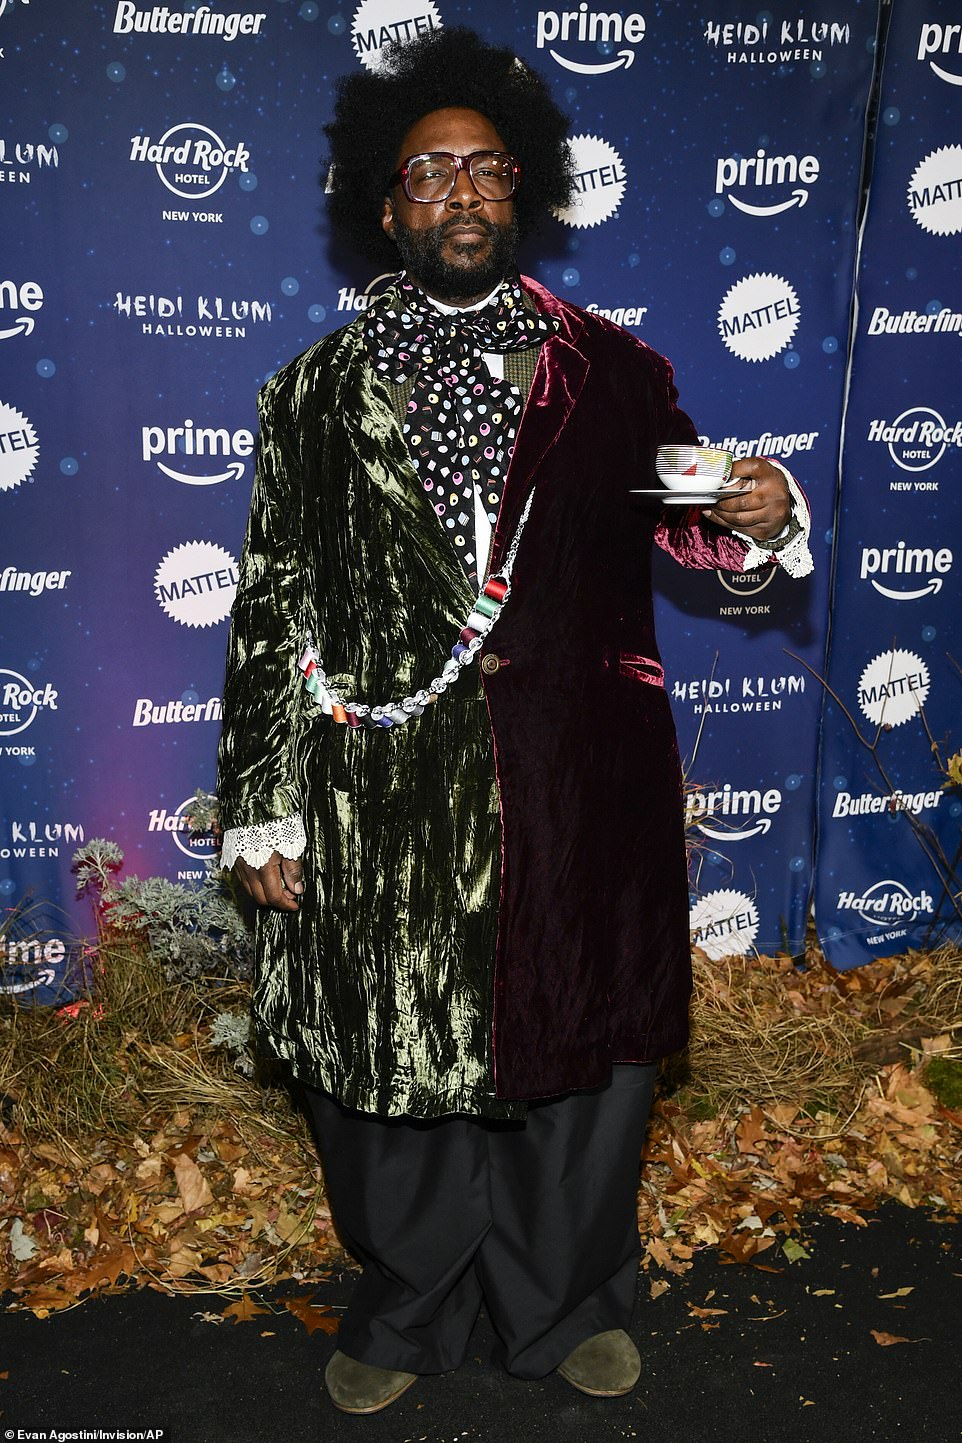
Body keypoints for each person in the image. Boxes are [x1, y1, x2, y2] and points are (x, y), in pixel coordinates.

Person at [216, 27, 812, 1415]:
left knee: (580, 1063)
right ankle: (409, 1309)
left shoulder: (612, 371)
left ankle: (558, 1307)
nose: (461, 195)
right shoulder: (311, 393)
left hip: (575, 782)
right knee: (382, 1063)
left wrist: (758, 519)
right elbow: (272, 605)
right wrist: (261, 792)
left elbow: (694, 539)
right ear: (385, 205)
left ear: (523, 192)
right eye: (428, 174)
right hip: (380, 785)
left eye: (486, 170)